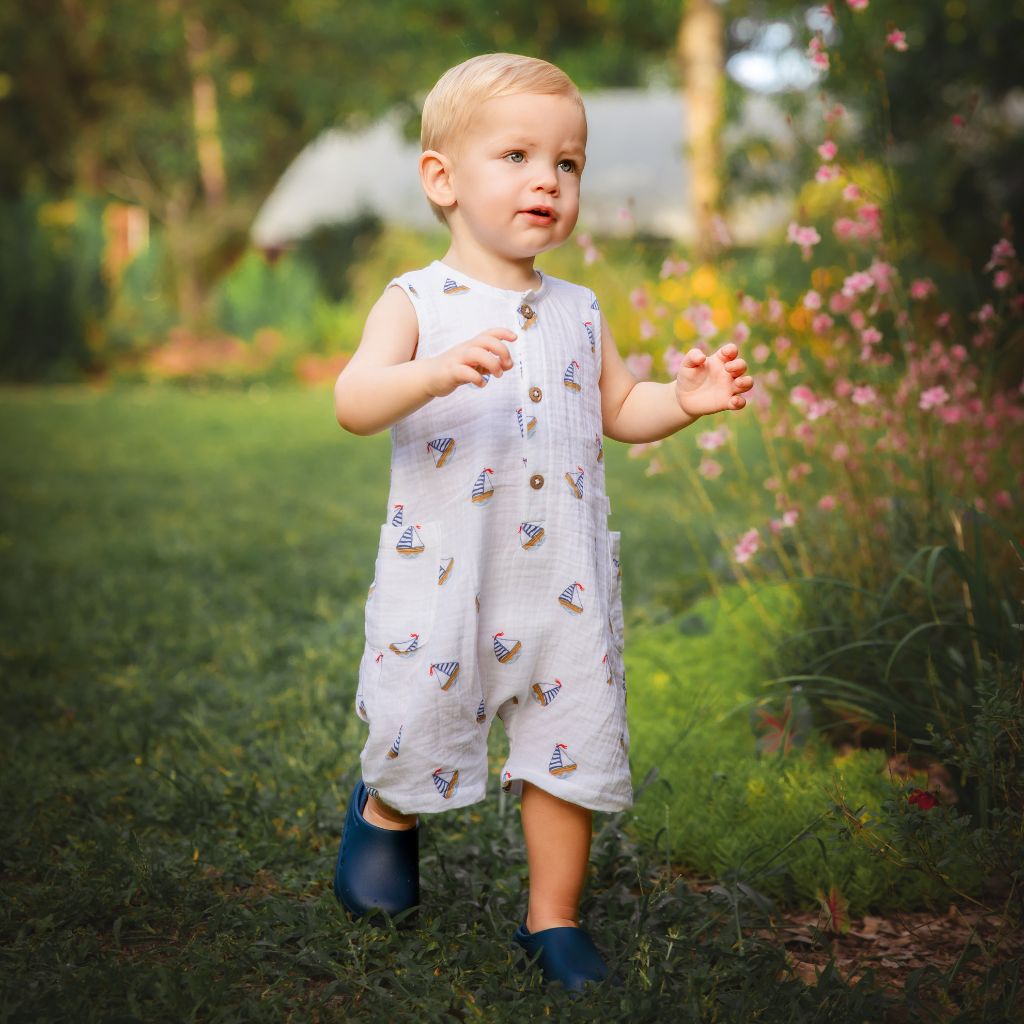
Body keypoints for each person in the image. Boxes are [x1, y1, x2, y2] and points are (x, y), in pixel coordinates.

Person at [331, 52, 753, 993]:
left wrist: (683, 399)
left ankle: (550, 919)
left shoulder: (580, 310)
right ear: (441, 179)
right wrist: (430, 372)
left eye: (566, 164)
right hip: (448, 571)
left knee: (572, 736)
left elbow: (619, 411)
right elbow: (355, 401)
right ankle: (387, 812)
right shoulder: (417, 301)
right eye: (517, 155)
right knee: (419, 716)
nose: (546, 181)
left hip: (560, 576)